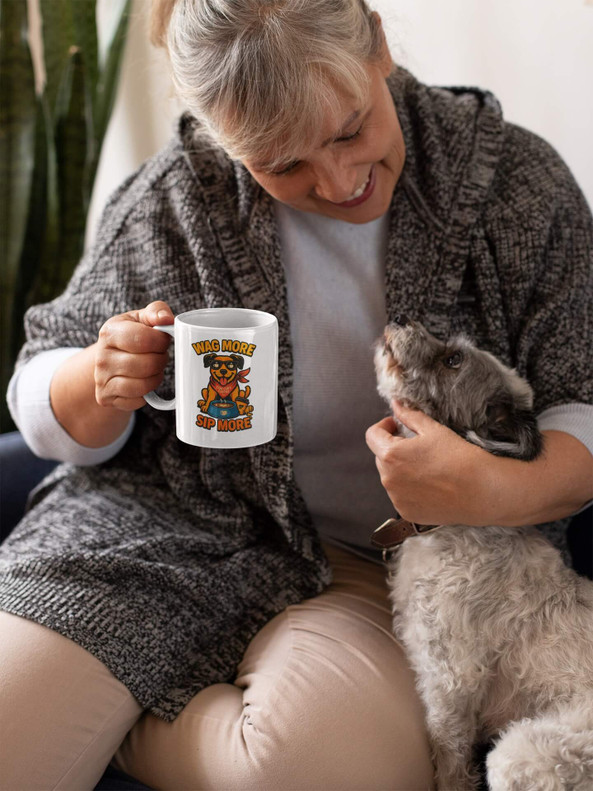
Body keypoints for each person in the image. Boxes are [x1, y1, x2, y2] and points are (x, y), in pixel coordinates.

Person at [1, 0, 592, 788]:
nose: (340, 181)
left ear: (376, 44)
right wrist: (97, 381)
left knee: (332, 769)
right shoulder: (173, 201)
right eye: (281, 165)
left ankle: (118, 713)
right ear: (222, 139)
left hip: (374, 567)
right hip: (150, 532)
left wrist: (493, 492)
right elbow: (38, 391)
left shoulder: (513, 185)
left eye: (349, 131)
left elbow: (581, 397)